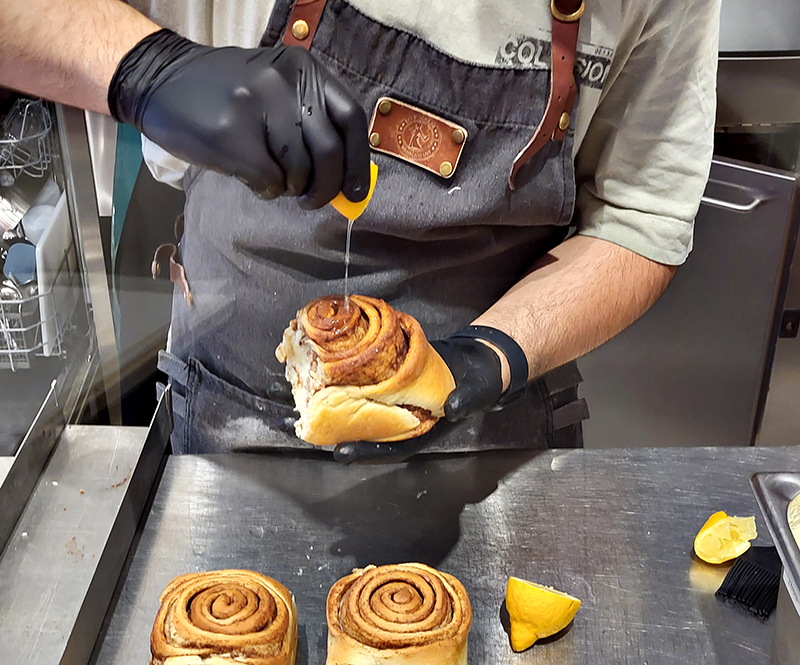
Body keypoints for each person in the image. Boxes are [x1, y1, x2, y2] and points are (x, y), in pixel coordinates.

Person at [0, 0, 721, 462]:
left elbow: (639, 218)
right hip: (227, 415)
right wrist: (150, 69)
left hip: (495, 434)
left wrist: (491, 356)